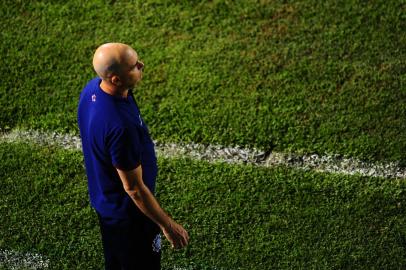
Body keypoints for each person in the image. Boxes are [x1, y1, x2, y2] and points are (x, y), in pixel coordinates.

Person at [77, 42, 189, 270]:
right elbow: (134, 189)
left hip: (108, 205)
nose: (142, 65)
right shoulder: (120, 127)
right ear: (116, 79)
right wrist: (167, 225)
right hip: (130, 216)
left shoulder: (93, 89)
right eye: (134, 66)